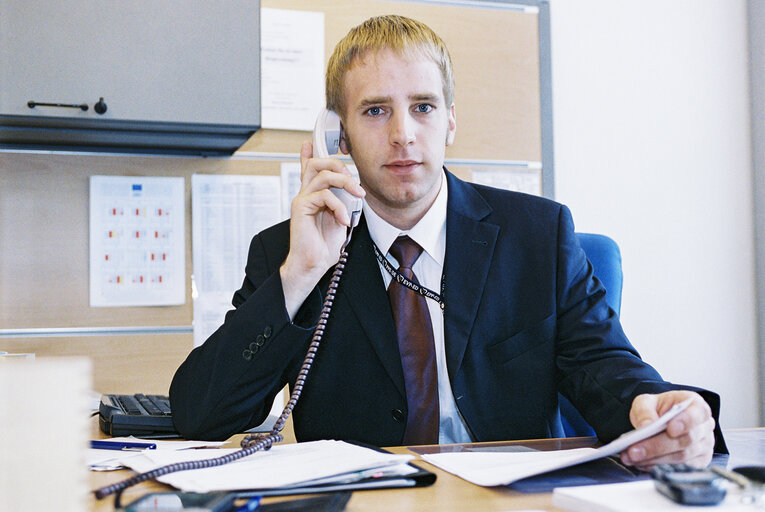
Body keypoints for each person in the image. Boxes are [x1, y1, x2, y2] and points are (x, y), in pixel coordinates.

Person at [170, 15, 725, 469]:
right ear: (337, 135)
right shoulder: (289, 252)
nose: (403, 133)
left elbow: (602, 363)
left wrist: (645, 406)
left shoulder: (537, 235)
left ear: (451, 122)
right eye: (375, 110)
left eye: (423, 107)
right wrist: (300, 275)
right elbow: (202, 415)